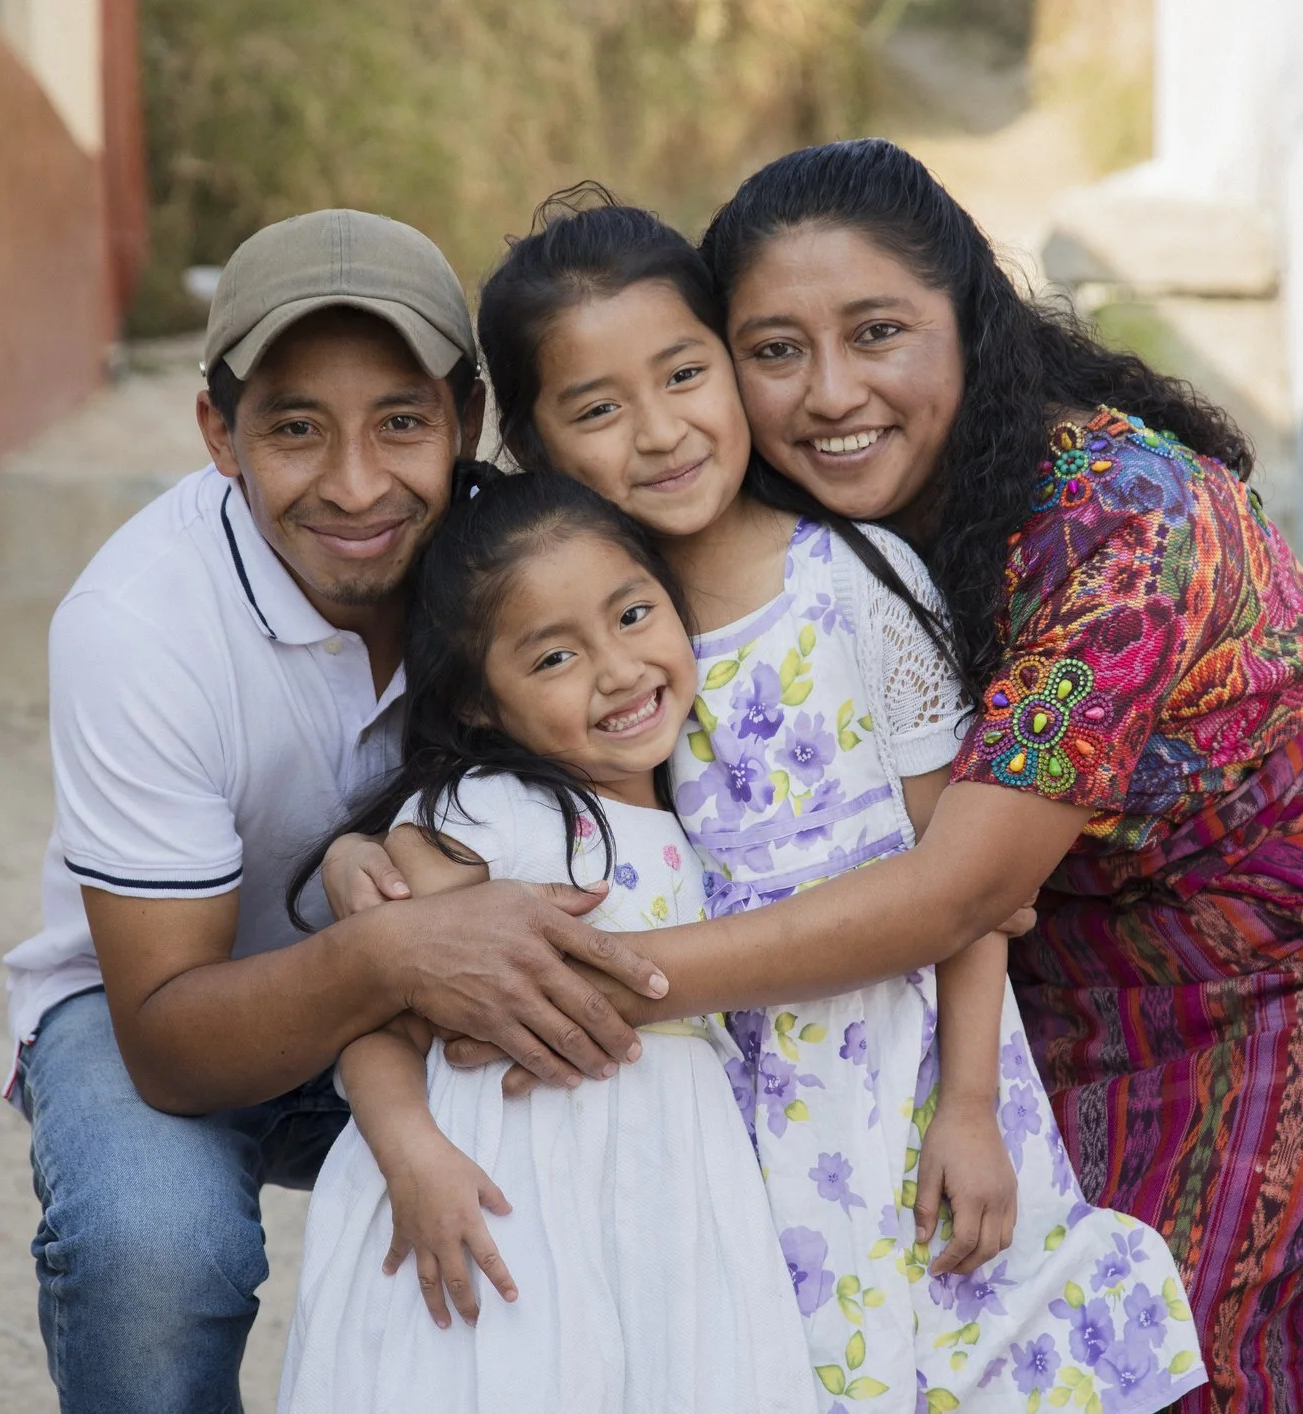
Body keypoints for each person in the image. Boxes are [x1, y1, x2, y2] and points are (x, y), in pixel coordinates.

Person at [685, 139, 1303, 1409]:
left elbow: (955, 892)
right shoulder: (782, 534)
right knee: (1005, 1325)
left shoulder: (1122, 521)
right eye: (773, 350)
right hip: (1081, 986)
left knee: (1153, 1340)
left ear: (972, 324)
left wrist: (616, 979)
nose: (827, 392)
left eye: (878, 332)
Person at [471, 194, 1204, 1410]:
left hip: (902, 1074)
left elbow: (961, 884)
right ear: (540, 447)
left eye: (685, 373)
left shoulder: (858, 583)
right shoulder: (597, 643)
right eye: (598, 409)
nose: (658, 433)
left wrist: (969, 1105)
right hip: (727, 1107)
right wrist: (370, 862)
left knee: (963, 1345)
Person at [2, 210, 674, 1414]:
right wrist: (396, 946)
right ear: (219, 431)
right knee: (155, 1252)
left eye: (402, 422)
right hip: (168, 1009)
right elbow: (167, 1041)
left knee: (637, 1152)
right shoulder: (138, 623)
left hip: (430, 991)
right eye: (296, 429)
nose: (357, 485)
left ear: (467, 418)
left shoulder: (510, 561)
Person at [277, 471, 822, 1412]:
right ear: (480, 705)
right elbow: (378, 1024)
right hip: (505, 1201)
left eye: (633, 613)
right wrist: (414, 1157)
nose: (616, 669)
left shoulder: (714, 788)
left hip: (672, 1204)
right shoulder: (494, 817)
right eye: (552, 660)